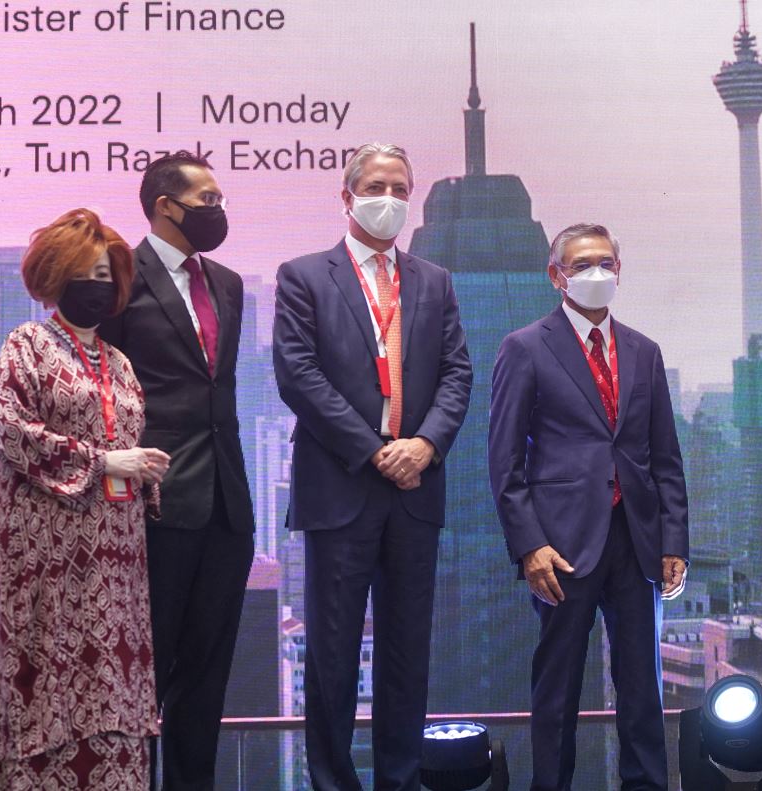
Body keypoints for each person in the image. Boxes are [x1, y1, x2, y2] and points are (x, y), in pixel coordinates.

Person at [273, 142, 472, 791]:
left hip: (416, 487)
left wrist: (426, 444)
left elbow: (457, 373)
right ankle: (333, 783)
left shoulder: (434, 281)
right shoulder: (305, 276)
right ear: (347, 196)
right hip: (342, 484)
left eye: (400, 188)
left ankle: (400, 781)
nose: (390, 199)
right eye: (377, 186)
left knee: (407, 653)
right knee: (332, 655)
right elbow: (298, 375)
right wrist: (373, 448)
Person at [489, 223, 689, 791]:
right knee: (558, 688)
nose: (596, 273)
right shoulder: (525, 346)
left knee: (642, 686)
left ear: (619, 270)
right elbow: (504, 460)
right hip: (561, 544)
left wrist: (674, 541)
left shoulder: (644, 351)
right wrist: (530, 546)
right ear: (556, 276)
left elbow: (665, 457)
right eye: (581, 265)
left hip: (636, 538)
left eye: (605, 262)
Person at [0, 209, 169, 789]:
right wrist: (103, 462)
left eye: (106, 275)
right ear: (55, 275)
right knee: (41, 685)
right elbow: (9, 429)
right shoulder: (26, 346)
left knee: (117, 687)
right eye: (84, 273)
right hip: (42, 557)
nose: (97, 285)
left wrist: (144, 469)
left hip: (116, 562)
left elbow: (124, 444)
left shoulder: (121, 363)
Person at [98, 151, 254, 790]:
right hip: (152, 502)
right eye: (207, 199)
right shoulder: (119, 278)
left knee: (207, 675)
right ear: (166, 205)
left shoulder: (229, 283)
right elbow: (101, 389)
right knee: (144, 670)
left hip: (227, 502)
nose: (218, 211)